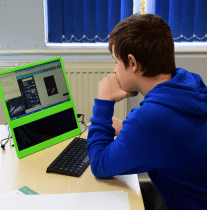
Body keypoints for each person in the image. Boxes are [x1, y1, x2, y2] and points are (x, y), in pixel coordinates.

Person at [87, 13, 207, 210]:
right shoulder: (189, 82)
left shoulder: (149, 121)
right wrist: (128, 128)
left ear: (133, 63)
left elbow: (99, 164)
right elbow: (173, 134)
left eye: (117, 61)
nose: (115, 70)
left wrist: (103, 101)